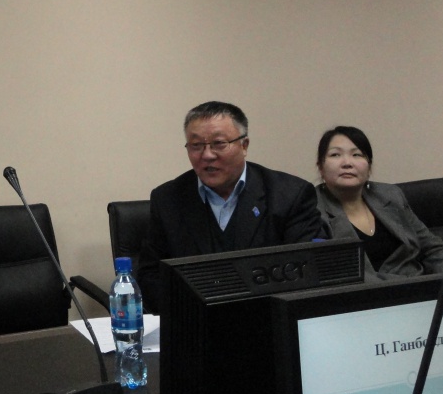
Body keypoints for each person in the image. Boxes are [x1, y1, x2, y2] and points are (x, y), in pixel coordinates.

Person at [138, 101, 329, 312]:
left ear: (244, 145)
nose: (207, 155)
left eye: (219, 143)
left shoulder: (290, 195)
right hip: (195, 319)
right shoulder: (168, 199)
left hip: (267, 319)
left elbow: (306, 274)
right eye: (196, 145)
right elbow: (150, 278)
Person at [315, 125, 443, 281]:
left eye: (357, 154)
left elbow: (433, 249)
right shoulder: (313, 210)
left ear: (369, 167)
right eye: (335, 155)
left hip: (419, 286)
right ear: (321, 167)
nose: (347, 163)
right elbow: (335, 273)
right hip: (365, 293)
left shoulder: (390, 195)